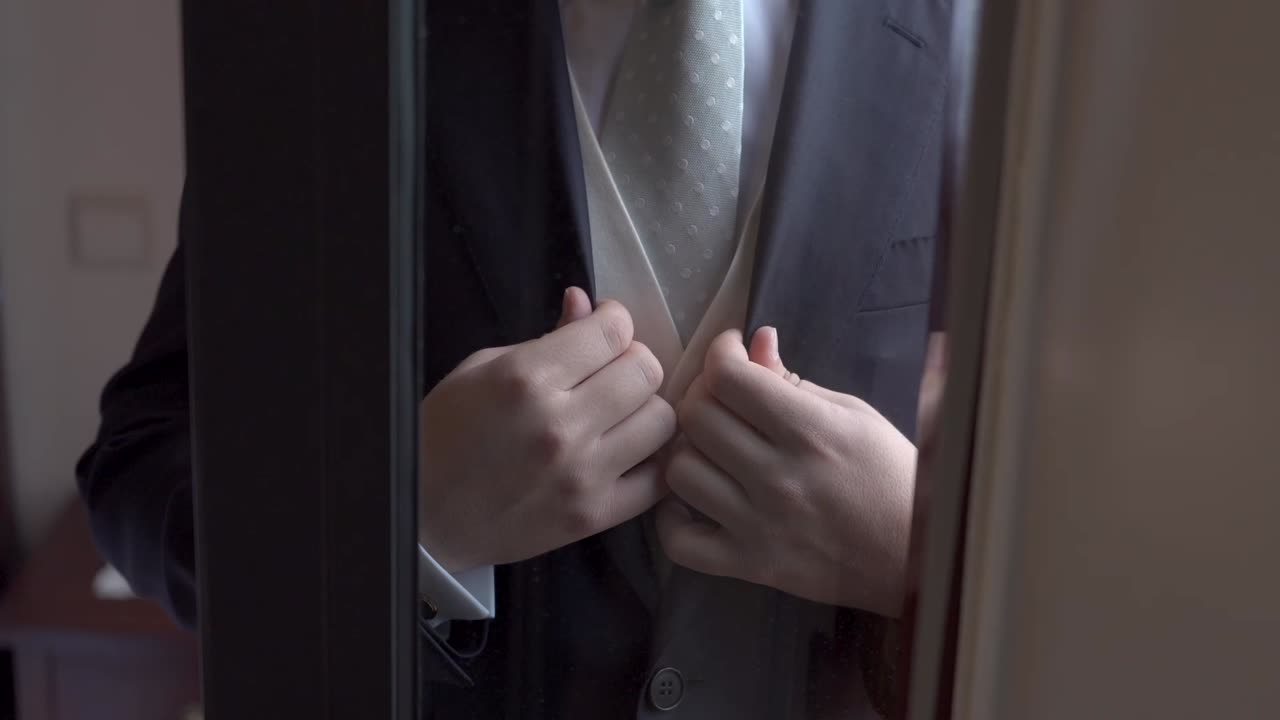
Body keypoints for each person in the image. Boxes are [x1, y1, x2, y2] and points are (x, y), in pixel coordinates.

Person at [78, 1, 950, 717]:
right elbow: (142, 461)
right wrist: (398, 520)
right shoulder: (318, 33)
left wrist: (927, 561)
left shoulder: (1032, 51)